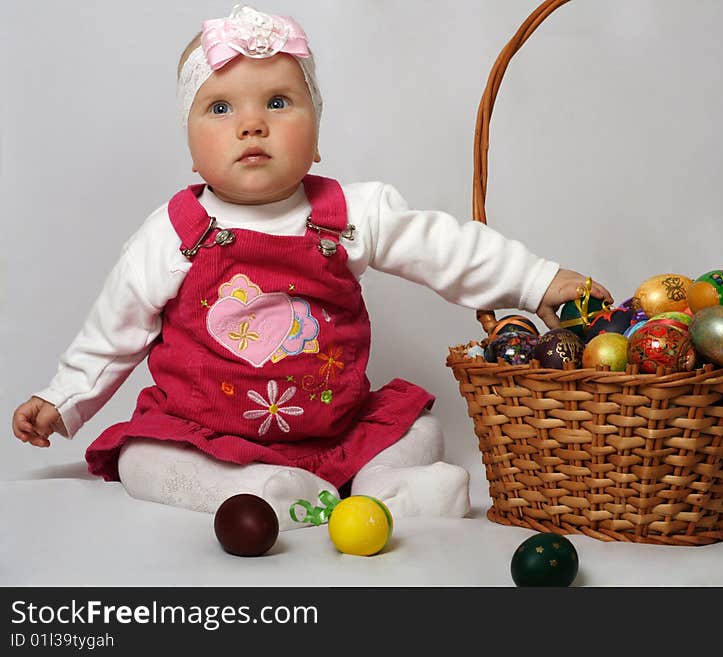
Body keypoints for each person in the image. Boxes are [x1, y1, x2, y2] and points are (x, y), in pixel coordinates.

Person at [11, 4, 612, 530]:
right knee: (142, 455)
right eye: (220, 107)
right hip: (208, 435)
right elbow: (114, 331)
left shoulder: (350, 212)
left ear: (317, 133)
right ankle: (242, 494)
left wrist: (537, 282)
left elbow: (447, 247)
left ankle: (388, 490)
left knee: (418, 429)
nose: (252, 124)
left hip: (334, 433)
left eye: (278, 102)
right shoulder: (173, 233)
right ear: (190, 147)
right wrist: (63, 397)